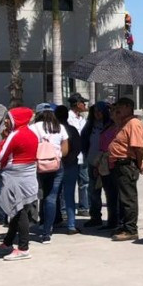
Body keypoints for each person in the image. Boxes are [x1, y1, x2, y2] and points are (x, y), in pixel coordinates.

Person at [0, 107, 39, 261]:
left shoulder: (15, 134)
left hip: (15, 177)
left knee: (19, 212)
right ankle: (7, 242)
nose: (6, 121)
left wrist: (4, 140)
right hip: (29, 176)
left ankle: (23, 248)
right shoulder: (32, 133)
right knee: (18, 209)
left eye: (9, 118)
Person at [30, 104, 69, 243]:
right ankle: (47, 232)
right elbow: (65, 150)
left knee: (40, 195)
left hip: (38, 165)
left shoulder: (33, 128)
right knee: (52, 197)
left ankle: (39, 222)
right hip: (56, 165)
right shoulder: (59, 127)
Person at [108, 97, 143, 242]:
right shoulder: (123, 122)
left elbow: (138, 148)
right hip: (119, 164)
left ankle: (131, 229)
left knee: (128, 199)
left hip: (127, 164)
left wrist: (138, 163)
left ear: (128, 107)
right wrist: (114, 111)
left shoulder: (133, 123)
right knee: (122, 198)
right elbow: (113, 118)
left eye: (120, 107)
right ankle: (124, 225)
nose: (117, 110)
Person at [80, 101, 116, 229]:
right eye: (95, 111)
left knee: (110, 192)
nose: (97, 114)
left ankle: (113, 219)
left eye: (100, 111)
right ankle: (95, 217)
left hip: (107, 163)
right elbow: (83, 140)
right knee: (93, 191)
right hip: (92, 161)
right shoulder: (90, 125)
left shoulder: (111, 125)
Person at [54, 105, 82, 235]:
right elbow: (78, 147)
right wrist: (71, 158)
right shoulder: (72, 130)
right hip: (71, 165)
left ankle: (53, 221)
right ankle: (71, 225)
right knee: (69, 195)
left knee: (53, 194)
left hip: (56, 165)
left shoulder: (54, 131)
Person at [66, 93, 90, 217]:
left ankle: (83, 207)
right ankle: (65, 209)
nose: (85, 105)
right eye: (83, 103)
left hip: (83, 155)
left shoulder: (83, 119)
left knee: (84, 182)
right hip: (71, 156)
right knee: (69, 183)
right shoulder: (68, 118)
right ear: (77, 104)